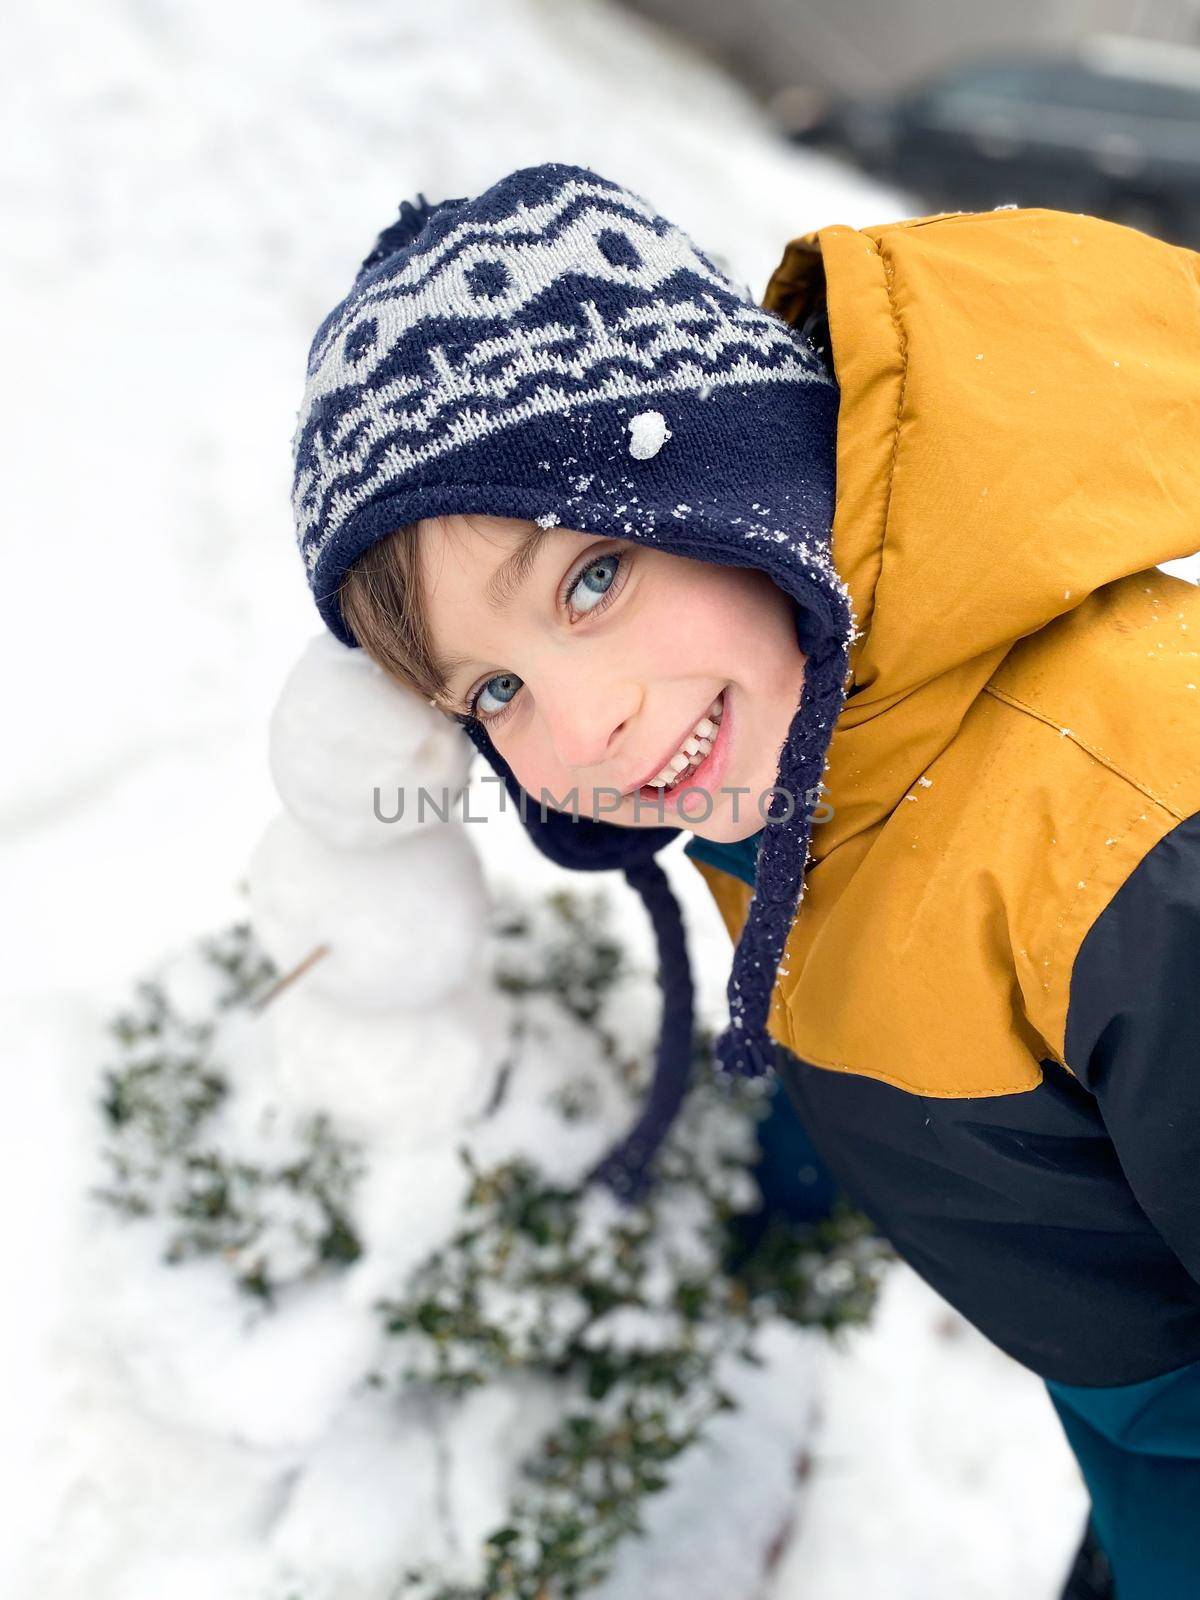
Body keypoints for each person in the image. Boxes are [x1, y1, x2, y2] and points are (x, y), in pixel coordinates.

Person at [289, 162, 1200, 1599]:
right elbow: (871, 999)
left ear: (750, 481)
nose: (579, 728)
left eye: (593, 576)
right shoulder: (805, 753)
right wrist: (762, 1189)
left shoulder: (1134, 849)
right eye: (498, 689)